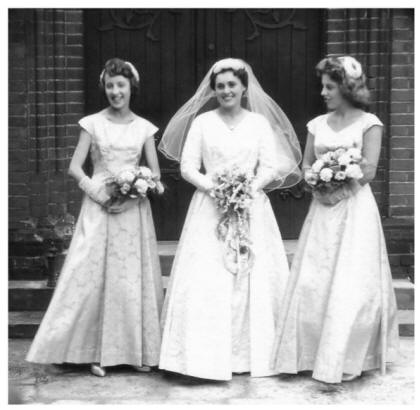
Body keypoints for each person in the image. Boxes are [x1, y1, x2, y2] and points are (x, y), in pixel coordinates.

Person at [157, 58, 302, 380]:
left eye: (231, 85)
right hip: (210, 208)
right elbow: (188, 167)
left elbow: (270, 166)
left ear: (244, 88)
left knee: (254, 276)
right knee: (209, 277)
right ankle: (202, 359)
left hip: (252, 207)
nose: (226, 91)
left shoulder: (259, 124)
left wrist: (246, 189)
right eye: (220, 86)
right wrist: (218, 190)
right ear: (214, 90)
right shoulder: (203, 123)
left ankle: (254, 355)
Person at [26, 58, 165, 377]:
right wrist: (100, 193)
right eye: (110, 85)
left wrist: (135, 191)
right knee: (90, 278)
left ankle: (133, 351)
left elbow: (155, 173)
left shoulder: (144, 128)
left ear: (132, 88)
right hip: (98, 207)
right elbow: (75, 167)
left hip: (132, 212)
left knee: (129, 280)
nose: (116, 92)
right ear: (104, 87)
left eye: (122, 86)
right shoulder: (92, 123)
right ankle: (90, 353)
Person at [271, 56, 399, 384]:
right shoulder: (317, 124)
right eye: (323, 86)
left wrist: (339, 192)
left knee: (353, 278)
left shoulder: (369, 123)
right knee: (315, 277)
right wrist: (318, 185)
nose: (324, 93)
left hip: (355, 209)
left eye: (330, 86)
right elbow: (307, 165)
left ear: (346, 86)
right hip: (322, 210)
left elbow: (368, 168)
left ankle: (347, 355)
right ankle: (311, 353)